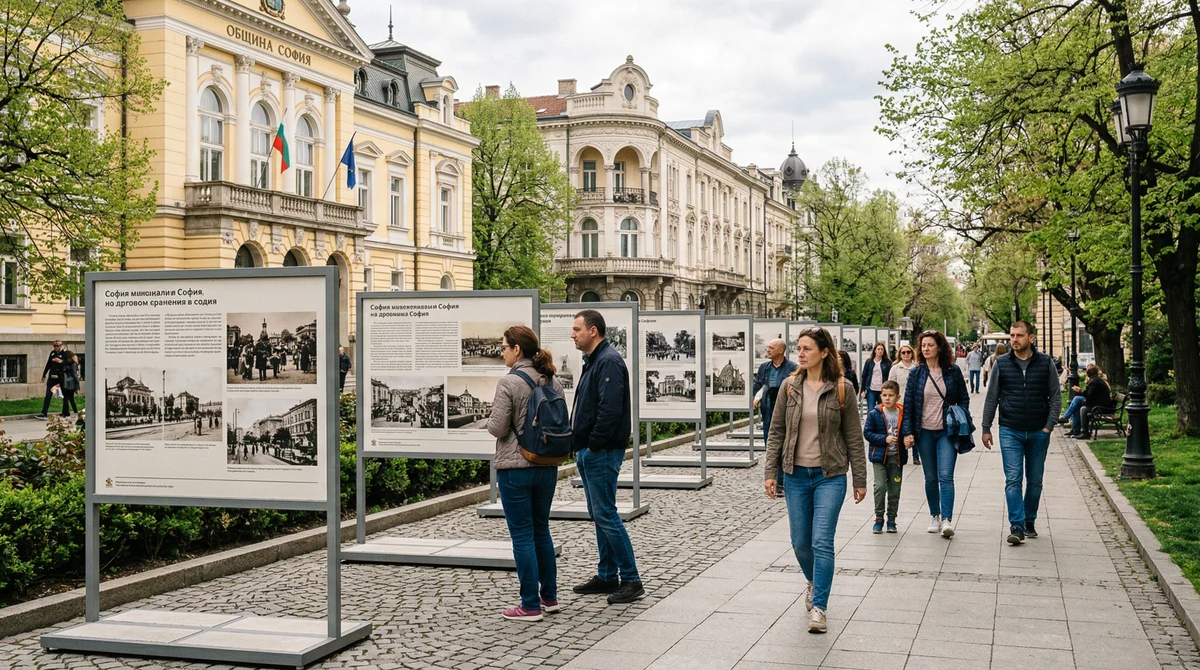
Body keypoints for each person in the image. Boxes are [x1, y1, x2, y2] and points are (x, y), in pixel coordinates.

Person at [764, 326, 867, 634]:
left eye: (807, 348)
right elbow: (776, 432)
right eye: (799, 348)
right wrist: (770, 472)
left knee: (822, 540)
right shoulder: (789, 386)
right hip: (795, 475)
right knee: (800, 542)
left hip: (829, 476)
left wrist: (860, 478)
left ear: (824, 353)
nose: (801, 353)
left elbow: (854, 436)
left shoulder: (842, 388)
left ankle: (820, 607)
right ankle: (813, 580)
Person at [487, 325, 563, 622]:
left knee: (521, 536)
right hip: (547, 465)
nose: (501, 352)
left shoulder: (509, 382)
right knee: (541, 530)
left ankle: (529, 605)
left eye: (504, 347)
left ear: (517, 349)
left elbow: (498, 428)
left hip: (515, 468)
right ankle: (550, 597)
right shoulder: (552, 380)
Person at [570, 309, 642, 605]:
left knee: (606, 514)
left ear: (593, 331)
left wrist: (593, 445)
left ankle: (631, 579)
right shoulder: (595, 360)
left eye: (577, 329)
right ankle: (607, 575)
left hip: (601, 451)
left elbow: (609, 411)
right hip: (592, 451)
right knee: (599, 514)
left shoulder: (608, 360)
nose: (572, 334)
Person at [982, 321, 1062, 545]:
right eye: (1012, 336)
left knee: (1035, 481)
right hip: (1010, 430)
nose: (1014, 340)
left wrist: (1048, 427)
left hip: (1038, 431)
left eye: (1019, 336)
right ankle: (1016, 526)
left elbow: (1056, 397)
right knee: (1013, 479)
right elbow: (992, 397)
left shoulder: (1045, 363)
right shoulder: (1002, 363)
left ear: (1031, 338)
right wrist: (986, 427)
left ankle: (1029, 520)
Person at [901, 329, 975, 538]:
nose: (926, 349)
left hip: (946, 432)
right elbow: (908, 405)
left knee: (946, 476)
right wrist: (907, 432)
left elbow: (964, 398)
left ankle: (946, 520)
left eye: (930, 345)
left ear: (939, 348)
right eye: (923, 345)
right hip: (924, 432)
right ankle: (934, 515)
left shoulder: (952, 371)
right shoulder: (916, 373)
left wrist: (959, 415)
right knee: (931, 477)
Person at [864, 380, 906, 534]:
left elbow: (908, 430)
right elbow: (867, 433)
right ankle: (879, 517)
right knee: (880, 487)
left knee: (895, 489)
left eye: (891, 395)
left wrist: (908, 439)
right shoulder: (874, 414)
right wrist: (884, 439)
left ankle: (892, 519)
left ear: (898, 397)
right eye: (884, 395)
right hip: (879, 457)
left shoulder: (903, 413)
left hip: (897, 458)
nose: (887, 398)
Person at [753, 338, 799, 444]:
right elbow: (757, 386)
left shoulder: (793, 368)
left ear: (780, 350)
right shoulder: (764, 367)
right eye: (767, 347)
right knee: (769, 438)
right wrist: (757, 395)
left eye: (771, 348)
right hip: (767, 409)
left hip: (785, 410)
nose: (768, 350)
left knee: (785, 438)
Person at [1062, 365, 1113, 439]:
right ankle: (1076, 429)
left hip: (1100, 407)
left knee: (1082, 407)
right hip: (1099, 404)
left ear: (1088, 373)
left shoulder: (1094, 382)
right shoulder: (1096, 380)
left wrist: (1080, 391)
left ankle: (1083, 431)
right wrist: (1081, 391)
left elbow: (1089, 396)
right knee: (1077, 401)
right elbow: (1089, 394)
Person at [889, 344, 919, 465]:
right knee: (901, 429)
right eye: (903, 352)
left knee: (915, 429)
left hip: (915, 403)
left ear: (912, 353)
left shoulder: (917, 367)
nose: (906, 354)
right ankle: (901, 454)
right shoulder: (895, 368)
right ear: (900, 355)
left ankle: (916, 455)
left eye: (908, 352)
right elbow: (890, 386)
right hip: (900, 403)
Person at [35, 340, 65, 419]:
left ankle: (65, 413)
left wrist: (60, 361)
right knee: (48, 396)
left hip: (59, 379)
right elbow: (48, 364)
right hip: (51, 378)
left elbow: (67, 364)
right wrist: (44, 374)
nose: (56, 347)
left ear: (60, 346)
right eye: (54, 346)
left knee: (63, 396)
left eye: (57, 346)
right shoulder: (52, 353)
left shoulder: (64, 353)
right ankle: (44, 413)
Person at [860, 342, 892, 411]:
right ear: (875, 350)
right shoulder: (869, 361)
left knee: (882, 410)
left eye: (882, 349)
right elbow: (864, 376)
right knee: (871, 409)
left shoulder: (887, 362)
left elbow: (890, 376)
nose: (880, 351)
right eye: (878, 349)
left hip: (883, 390)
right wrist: (862, 390)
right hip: (871, 389)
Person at [59, 350, 81, 418]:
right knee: (71, 398)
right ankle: (75, 412)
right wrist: (77, 383)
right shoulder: (73, 363)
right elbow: (74, 374)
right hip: (71, 383)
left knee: (65, 398)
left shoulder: (63, 363)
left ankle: (66, 413)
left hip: (64, 382)